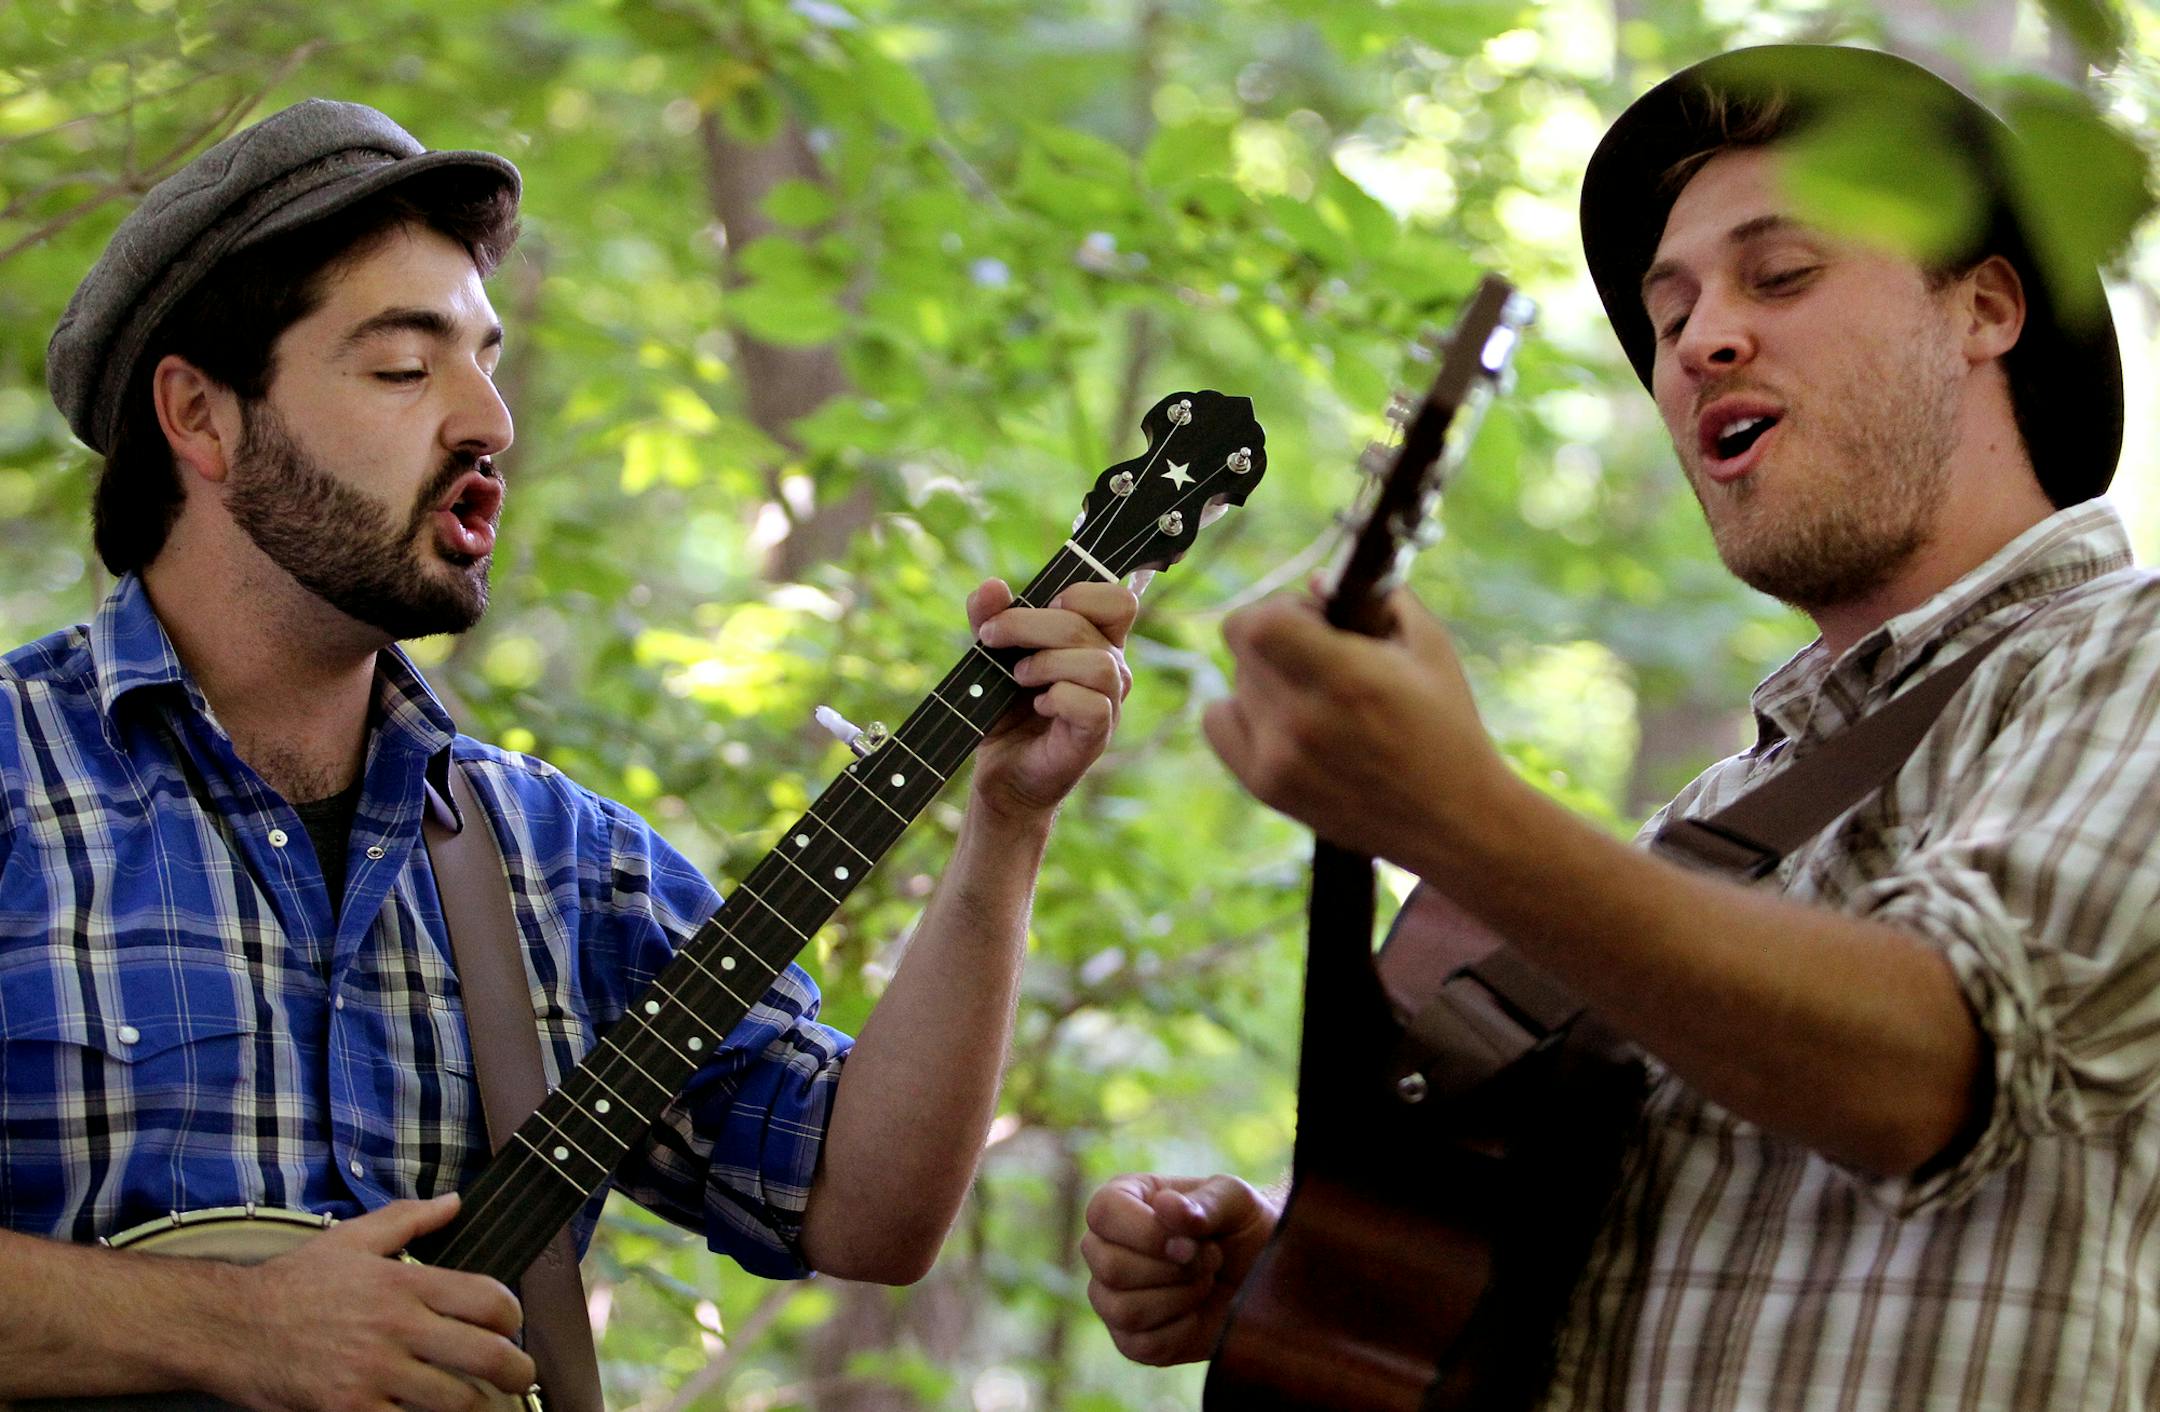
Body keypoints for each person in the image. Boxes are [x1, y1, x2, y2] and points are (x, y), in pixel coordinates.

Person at [0, 100, 1137, 1408]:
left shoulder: (551, 861)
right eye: (402, 366)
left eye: (487, 358)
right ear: (202, 417)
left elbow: (863, 1209)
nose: (489, 420)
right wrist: (236, 1330)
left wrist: (1005, 829)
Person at [1082, 43, 2158, 1409]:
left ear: (1985, 308)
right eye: (1668, 312)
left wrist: (1455, 816)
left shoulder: (2134, 656)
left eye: (1783, 274)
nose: (1701, 338)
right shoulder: (1699, 842)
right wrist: (1329, 1264)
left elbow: (1935, 1064)